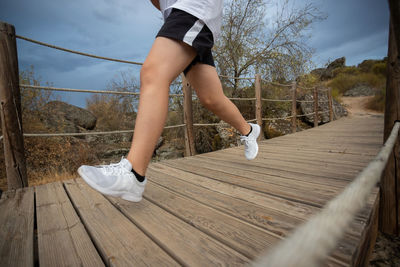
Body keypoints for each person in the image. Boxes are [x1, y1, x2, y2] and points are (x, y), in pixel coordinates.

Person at [78, 0, 261, 202]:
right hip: (181, 13)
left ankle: (134, 174)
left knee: (153, 74)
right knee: (211, 98)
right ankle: (250, 130)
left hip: (195, 7)